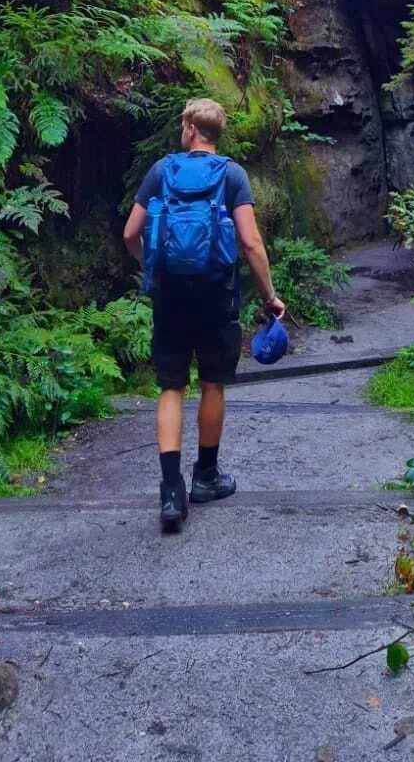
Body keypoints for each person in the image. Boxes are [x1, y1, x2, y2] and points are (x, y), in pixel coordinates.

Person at [123, 97, 286, 535]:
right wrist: (270, 296)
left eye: (183, 125)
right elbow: (251, 243)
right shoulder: (232, 175)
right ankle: (206, 477)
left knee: (171, 386)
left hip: (170, 297)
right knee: (212, 383)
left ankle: (171, 491)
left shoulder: (162, 172)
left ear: (191, 129)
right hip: (217, 296)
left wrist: (152, 268)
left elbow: (130, 233)